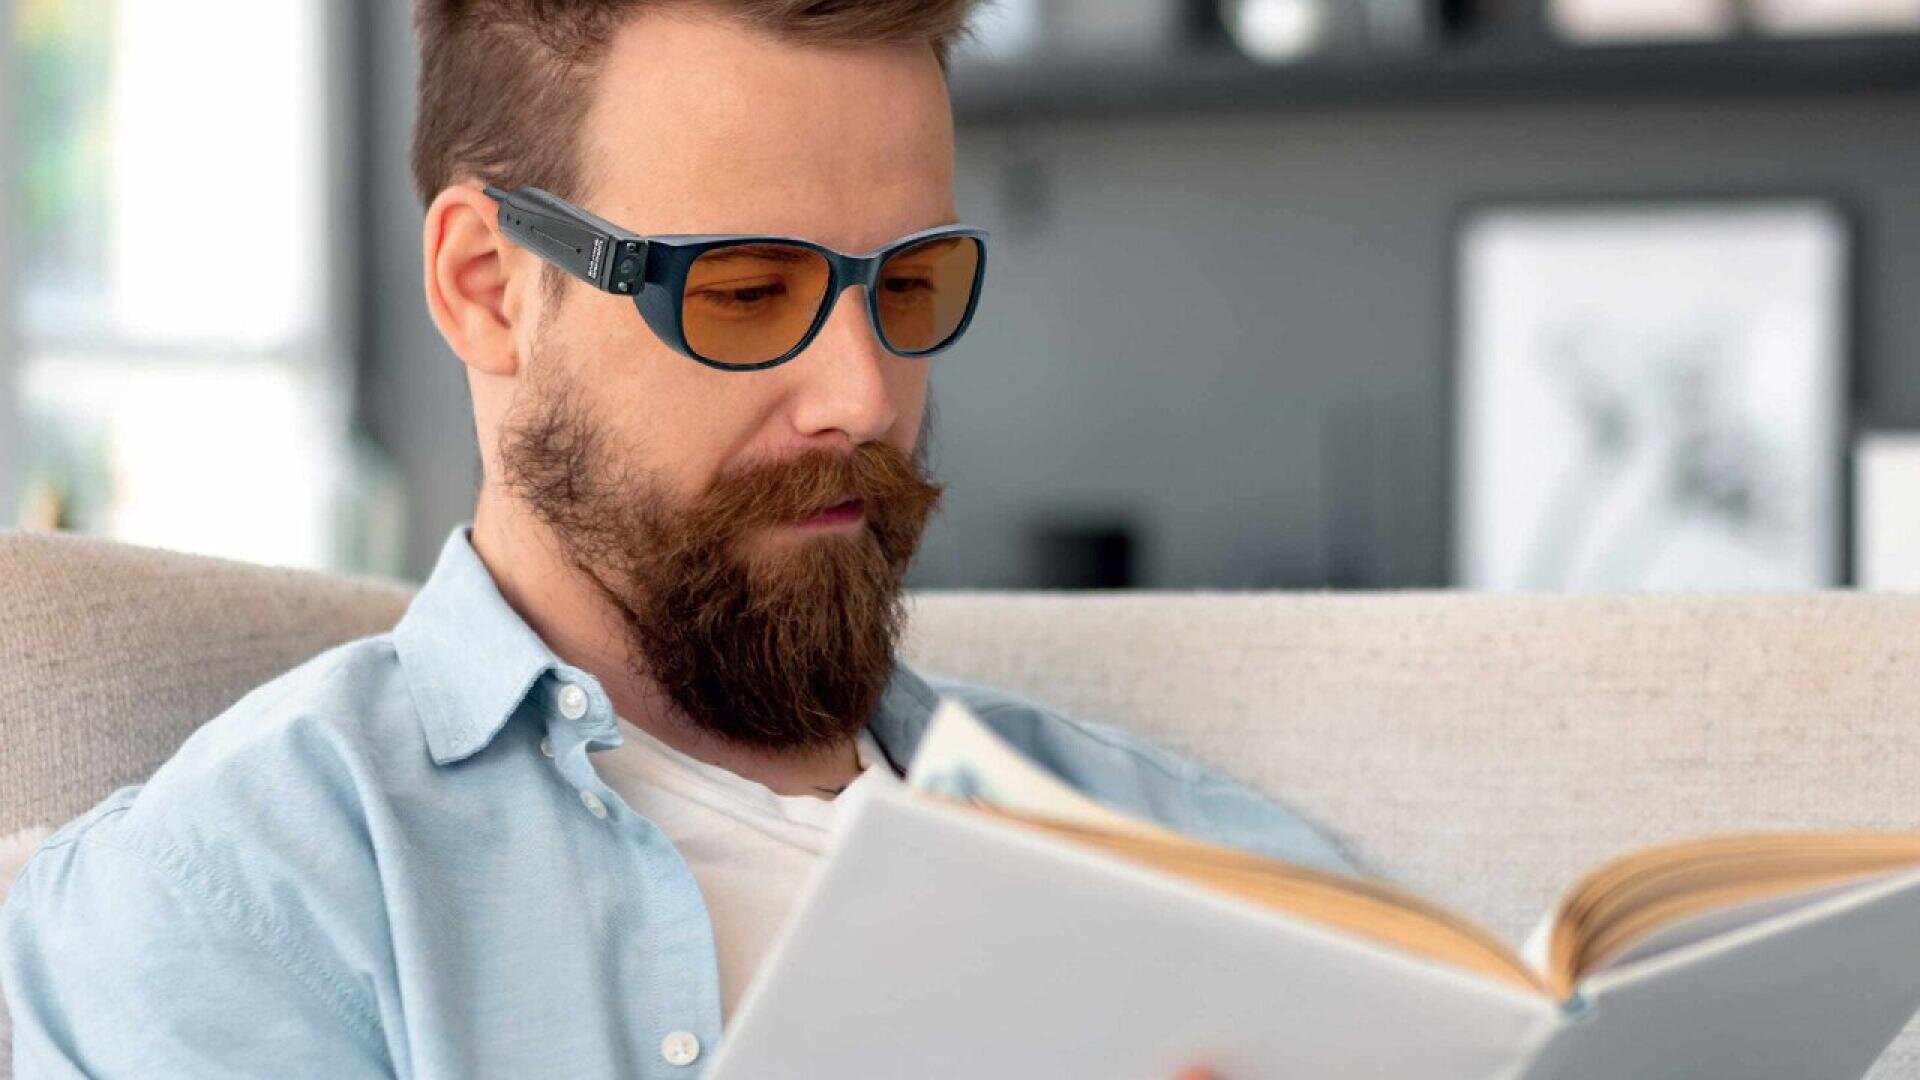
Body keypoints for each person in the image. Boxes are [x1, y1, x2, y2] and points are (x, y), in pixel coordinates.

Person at [0, 1, 1353, 1075]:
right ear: (488, 289)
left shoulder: (1180, 853)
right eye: (748, 293)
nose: (863, 396)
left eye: (909, 286)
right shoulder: (237, 897)